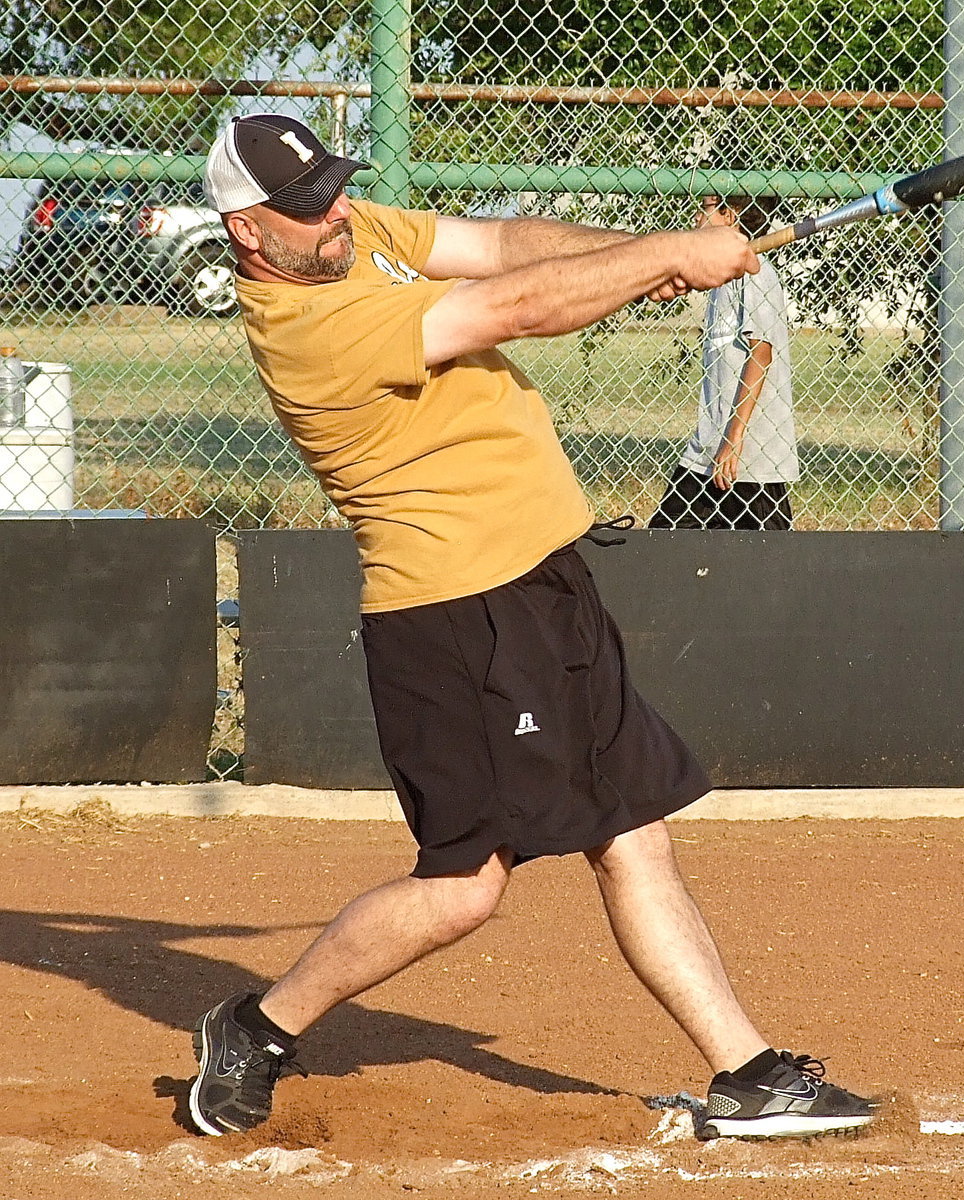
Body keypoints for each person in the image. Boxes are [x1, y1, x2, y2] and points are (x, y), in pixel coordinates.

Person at [188, 113, 872, 1143]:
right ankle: (256, 1026)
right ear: (249, 232)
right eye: (307, 207)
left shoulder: (351, 234)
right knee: (464, 890)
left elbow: (504, 245)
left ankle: (749, 1070)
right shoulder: (311, 333)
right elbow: (510, 304)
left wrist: (642, 264)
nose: (334, 213)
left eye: (333, 189)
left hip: (546, 587)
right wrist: (671, 254)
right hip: (458, 617)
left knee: (632, 829)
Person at [649, 194, 798, 531]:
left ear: (729, 216)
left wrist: (734, 438)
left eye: (705, 209)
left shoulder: (755, 274)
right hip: (710, 447)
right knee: (667, 534)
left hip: (749, 455)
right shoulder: (722, 280)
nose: (697, 218)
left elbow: (761, 353)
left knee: (769, 557)